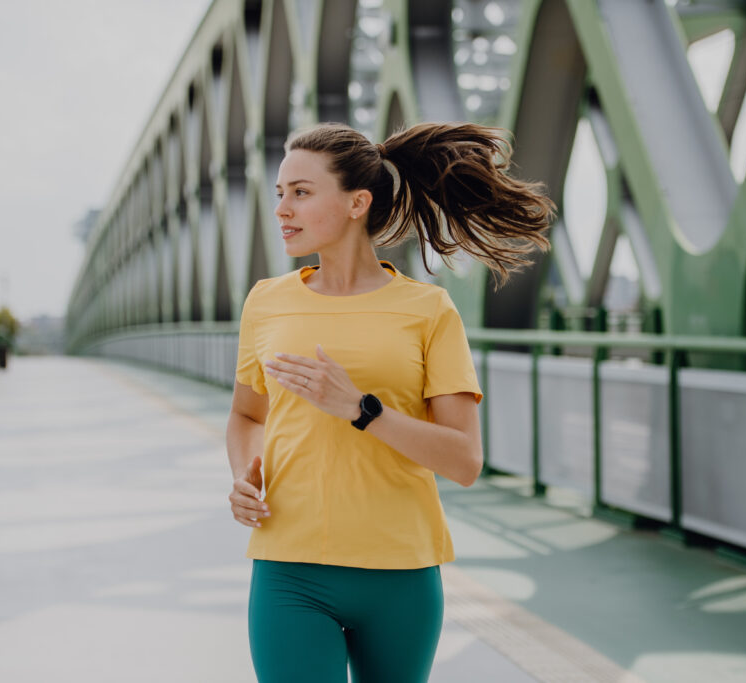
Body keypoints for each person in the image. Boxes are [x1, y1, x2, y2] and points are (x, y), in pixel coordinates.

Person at [226, 121, 553, 683]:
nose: (282, 208)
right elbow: (247, 415)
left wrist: (361, 409)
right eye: (280, 193)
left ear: (357, 202)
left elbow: (463, 460)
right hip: (289, 567)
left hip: (400, 571)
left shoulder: (428, 310)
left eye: (301, 192)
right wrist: (244, 476)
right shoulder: (266, 301)